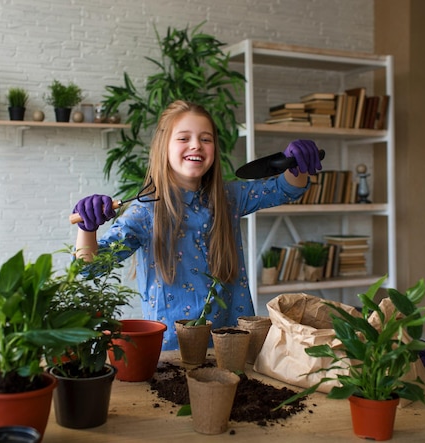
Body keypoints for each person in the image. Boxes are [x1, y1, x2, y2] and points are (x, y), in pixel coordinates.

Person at [72, 100, 322, 350]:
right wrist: (87, 229)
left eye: (206, 139)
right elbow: (89, 269)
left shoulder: (229, 198)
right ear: (163, 147)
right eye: (183, 138)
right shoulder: (144, 212)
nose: (196, 145)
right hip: (171, 353)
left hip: (234, 346)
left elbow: (285, 188)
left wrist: (296, 164)